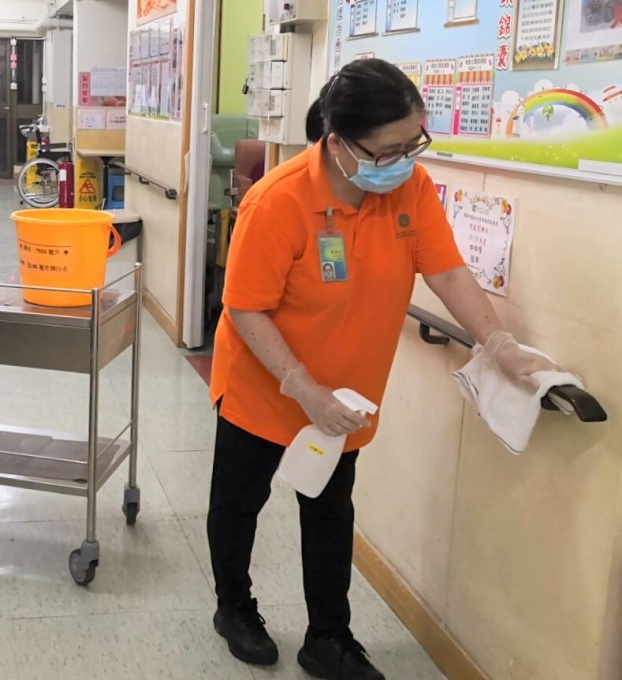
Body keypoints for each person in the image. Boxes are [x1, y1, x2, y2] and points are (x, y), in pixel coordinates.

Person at [206, 58, 557, 679]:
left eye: (412, 144)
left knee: (329, 511)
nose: (403, 161)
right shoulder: (278, 201)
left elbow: (447, 271)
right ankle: (234, 607)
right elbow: (245, 307)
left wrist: (498, 343)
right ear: (337, 143)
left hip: (345, 398)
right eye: (389, 150)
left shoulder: (409, 190)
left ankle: (328, 639)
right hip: (264, 385)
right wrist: (302, 387)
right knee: (239, 504)